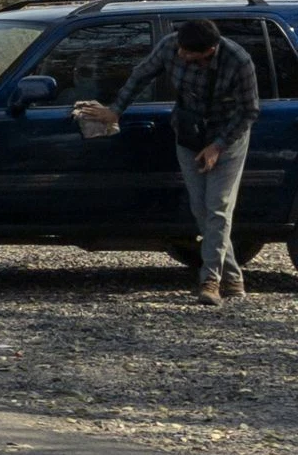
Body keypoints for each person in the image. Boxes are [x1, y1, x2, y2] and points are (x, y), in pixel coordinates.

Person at [82, 17, 258, 304]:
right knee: (200, 208)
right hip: (189, 134)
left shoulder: (238, 61)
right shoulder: (170, 46)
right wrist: (116, 110)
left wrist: (217, 146)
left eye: (188, 52)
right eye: (180, 48)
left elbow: (250, 110)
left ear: (209, 50)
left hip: (227, 138)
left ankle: (210, 281)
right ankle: (233, 276)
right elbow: (141, 74)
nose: (181, 55)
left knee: (219, 207)